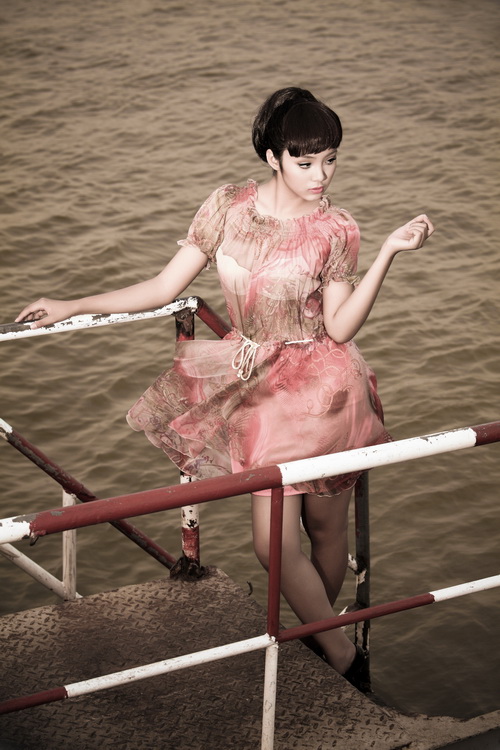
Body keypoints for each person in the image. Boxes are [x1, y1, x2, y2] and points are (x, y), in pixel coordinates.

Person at [16, 86, 434, 686]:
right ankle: (345, 657)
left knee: (324, 531)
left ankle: (324, 648)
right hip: (259, 393)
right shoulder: (226, 207)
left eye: (330, 160)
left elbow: (340, 327)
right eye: (305, 162)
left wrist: (389, 250)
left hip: (325, 392)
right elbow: (165, 288)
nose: (321, 175)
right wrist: (73, 304)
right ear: (273, 157)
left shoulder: (336, 228)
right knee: (272, 545)